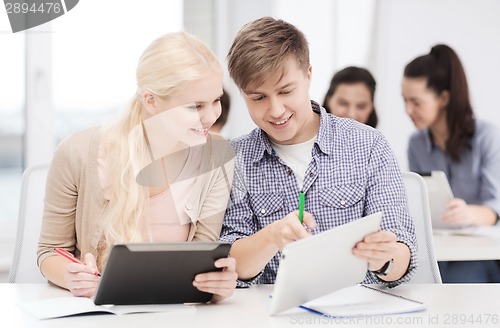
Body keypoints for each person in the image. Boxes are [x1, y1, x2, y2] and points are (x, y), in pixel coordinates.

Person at [37, 32, 237, 301]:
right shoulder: (77, 152)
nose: (212, 116)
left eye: (215, 101)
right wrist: (71, 276)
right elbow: (50, 251)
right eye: (195, 106)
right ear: (151, 100)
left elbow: (204, 253)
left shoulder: (216, 156)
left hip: (174, 314)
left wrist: (217, 282)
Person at [220, 17, 417, 287]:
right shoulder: (235, 158)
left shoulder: (368, 145)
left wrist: (384, 258)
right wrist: (271, 238)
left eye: (286, 91)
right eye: (258, 98)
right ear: (242, 94)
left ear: (309, 75)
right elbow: (231, 263)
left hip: (358, 311)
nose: (276, 110)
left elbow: (403, 255)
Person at [402, 44, 500, 283]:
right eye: (404, 100)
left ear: (444, 98)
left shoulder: (486, 136)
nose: (408, 110)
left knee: (456, 281)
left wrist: (470, 213)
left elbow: (495, 207)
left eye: (416, 102)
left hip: (478, 254)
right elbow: (418, 204)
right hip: (437, 248)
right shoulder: (416, 144)